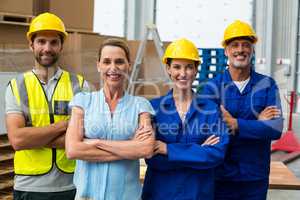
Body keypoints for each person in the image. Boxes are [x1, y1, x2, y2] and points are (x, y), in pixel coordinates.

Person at [5, 12, 89, 200]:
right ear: (31, 45)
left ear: (61, 47)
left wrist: (33, 137)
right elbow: (17, 140)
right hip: (29, 187)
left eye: (53, 42)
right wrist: (65, 126)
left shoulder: (80, 85)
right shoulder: (17, 86)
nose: (47, 48)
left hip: (72, 185)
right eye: (41, 41)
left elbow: (86, 136)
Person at [202, 20, 284, 200]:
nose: (240, 49)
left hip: (255, 178)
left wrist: (235, 124)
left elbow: (276, 129)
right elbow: (209, 132)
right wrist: (257, 124)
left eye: (246, 45)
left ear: (252, 50)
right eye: (234, 45)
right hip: (221, 176)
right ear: (226, 51)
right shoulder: (211, 88)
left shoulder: (267, 85)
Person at [65, 38, 155, 200]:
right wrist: (130, 148)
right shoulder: (83, 102)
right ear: (98, 65)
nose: (113, 68)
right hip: (88, 196)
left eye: (119, 62)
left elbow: (145, 150)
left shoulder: (141, 106)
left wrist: (95, 142)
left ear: (128, 65)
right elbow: (72, 150)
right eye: (107, 62)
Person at [141, 38, 229, 200]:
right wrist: (198, 152)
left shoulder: (210, 110)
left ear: (196, 70)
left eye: (189, 67)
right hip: (160, 193)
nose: (183, 73)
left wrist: (167, 149)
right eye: (177, 67)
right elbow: (152, 158)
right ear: (168, 68)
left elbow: (216, 154)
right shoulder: (152, 109)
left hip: (197, 193)